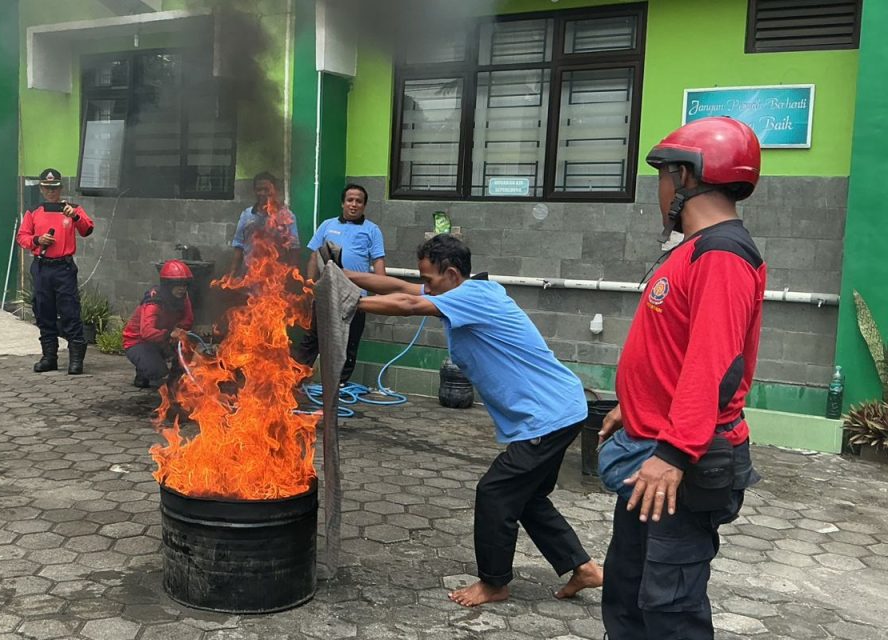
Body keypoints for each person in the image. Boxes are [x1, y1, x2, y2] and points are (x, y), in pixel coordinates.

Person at [343, 234, 603, 607]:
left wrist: (346, 304)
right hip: (558, 410)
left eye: (430, 279)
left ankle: (494, 583)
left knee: (496, 492)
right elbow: (400, 286)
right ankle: (583, 568)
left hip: (549, 415)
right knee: (526, 497)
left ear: (451, 273)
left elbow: (407, 303)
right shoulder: (461, 291)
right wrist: (344, 277)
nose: (425, 285)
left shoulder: (473, 297)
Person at [598, 117, 765, 640]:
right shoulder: (693, 249)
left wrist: (672, 454)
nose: (659, 187)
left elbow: (714, 364)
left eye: (663, 174)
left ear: (686, 177)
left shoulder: (721, 255)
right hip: (655, 446)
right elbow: (674, 349)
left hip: (684, 461)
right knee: (626, 588)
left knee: (669, 608)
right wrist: (635, 402)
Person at [292, 183, 385, 384]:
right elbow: (314, 255)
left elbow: (378, 261)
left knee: (349, 341)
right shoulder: (327, 225)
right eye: (350, 200)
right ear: (343, 203)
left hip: (355, 295)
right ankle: (294, 378)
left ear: (364, 205)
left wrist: (380, 291)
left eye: (358, 201)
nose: (354, 204)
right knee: (313, 338)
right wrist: (309, 284)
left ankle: (340, 383)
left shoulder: (372, 230)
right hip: (326, 293)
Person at [16, 168, 95, 375]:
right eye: (47, 188)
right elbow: (22, 237)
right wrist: (37, 240)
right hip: (42, 266)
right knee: (44, 312)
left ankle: (76, 360)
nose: (51, 191)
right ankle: (49, 357)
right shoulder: (34, 211)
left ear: (61, 188)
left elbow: (87, 230)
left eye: (55, 188)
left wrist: (76, 216)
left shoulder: (72, 208)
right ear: (41, 189)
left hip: (64, 267)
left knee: (70, 311)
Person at [124, 260, 195, 389]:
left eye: (184, 285)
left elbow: (188, 320)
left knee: (187, 344)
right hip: (138, 342)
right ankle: (143, 371)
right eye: (178, 285)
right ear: (168, 285)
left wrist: (178, 330)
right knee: (157, 372)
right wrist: (169, 334)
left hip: (162, 338)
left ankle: (176, 379)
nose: (182, 288)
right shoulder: (153, 303)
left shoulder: (183, 298)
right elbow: (146, 332)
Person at [228, 171, 299, 278]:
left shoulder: (287, 217)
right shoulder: (246, 215)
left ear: (275, 190)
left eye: (266, 189)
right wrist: (232, 273)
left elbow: (294, 248)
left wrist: (291, 274)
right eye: (258, 190)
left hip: (275, 280)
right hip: (249, 277)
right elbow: (238, 246)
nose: (262, 193)